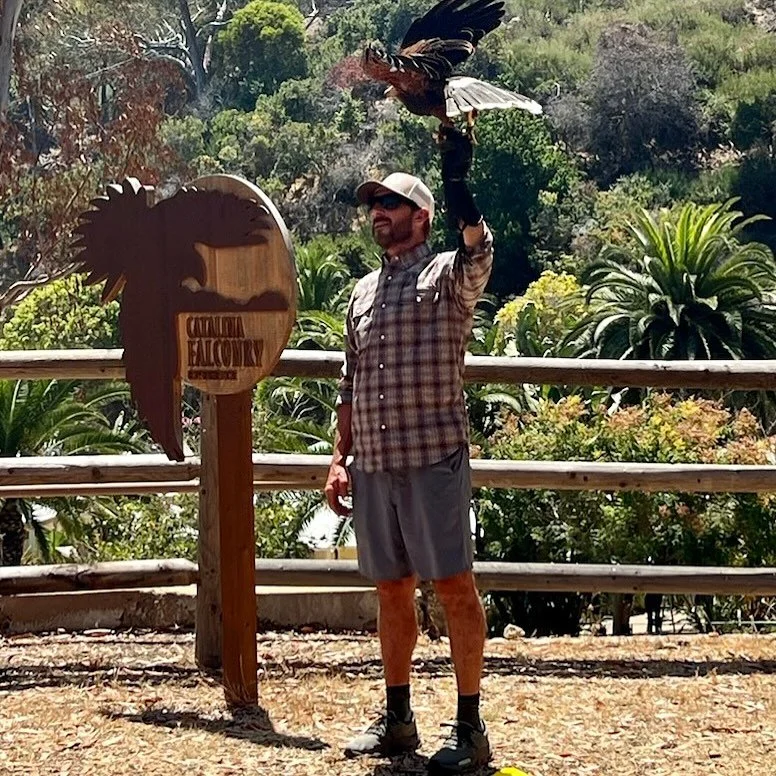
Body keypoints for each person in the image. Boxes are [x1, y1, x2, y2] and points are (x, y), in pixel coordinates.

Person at [324, 126, 494, 775]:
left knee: (453, 587)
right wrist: (340, 458)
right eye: (374, 205)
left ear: (420, 217)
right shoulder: (362, 293)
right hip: (376, 467)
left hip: (433, 460)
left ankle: (471, 728)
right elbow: (350, 379)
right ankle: (398, 720)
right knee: (391, 590)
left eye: (389, 205)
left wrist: (460, 188)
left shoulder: (448, 276)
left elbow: (478, 253)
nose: (378, 214)